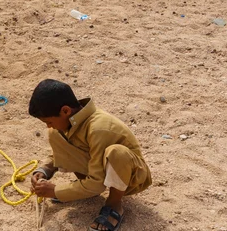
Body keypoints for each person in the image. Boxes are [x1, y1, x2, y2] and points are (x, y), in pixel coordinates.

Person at [28, 79, 151, 231]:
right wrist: (44, 170)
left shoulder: (98, 128)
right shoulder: (71, 122)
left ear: (65, 111)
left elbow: (97, 183)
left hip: (130, 177)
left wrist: (55, 190)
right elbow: (62, 152)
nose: (48, 125)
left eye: (48, 121)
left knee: (116, 153)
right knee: (54, 133)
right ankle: (84, 190)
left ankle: (114, 204)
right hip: (98, 167)